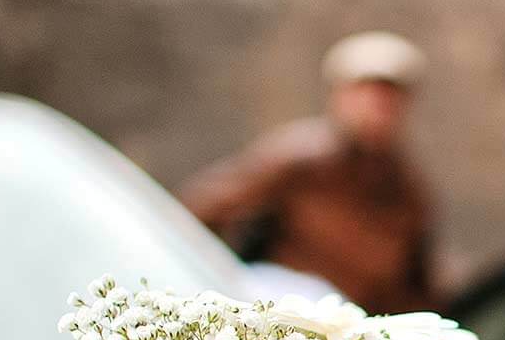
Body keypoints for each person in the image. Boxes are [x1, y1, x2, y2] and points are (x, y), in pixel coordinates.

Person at [182, 31, 436, 313]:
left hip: (351, 328)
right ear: (341, 95)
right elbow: (207, 207)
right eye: (365, 94)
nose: (376, 107)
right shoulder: (300, 156)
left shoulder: (406, 186)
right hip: (278, 311)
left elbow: (415, 281)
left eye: (388, 99)